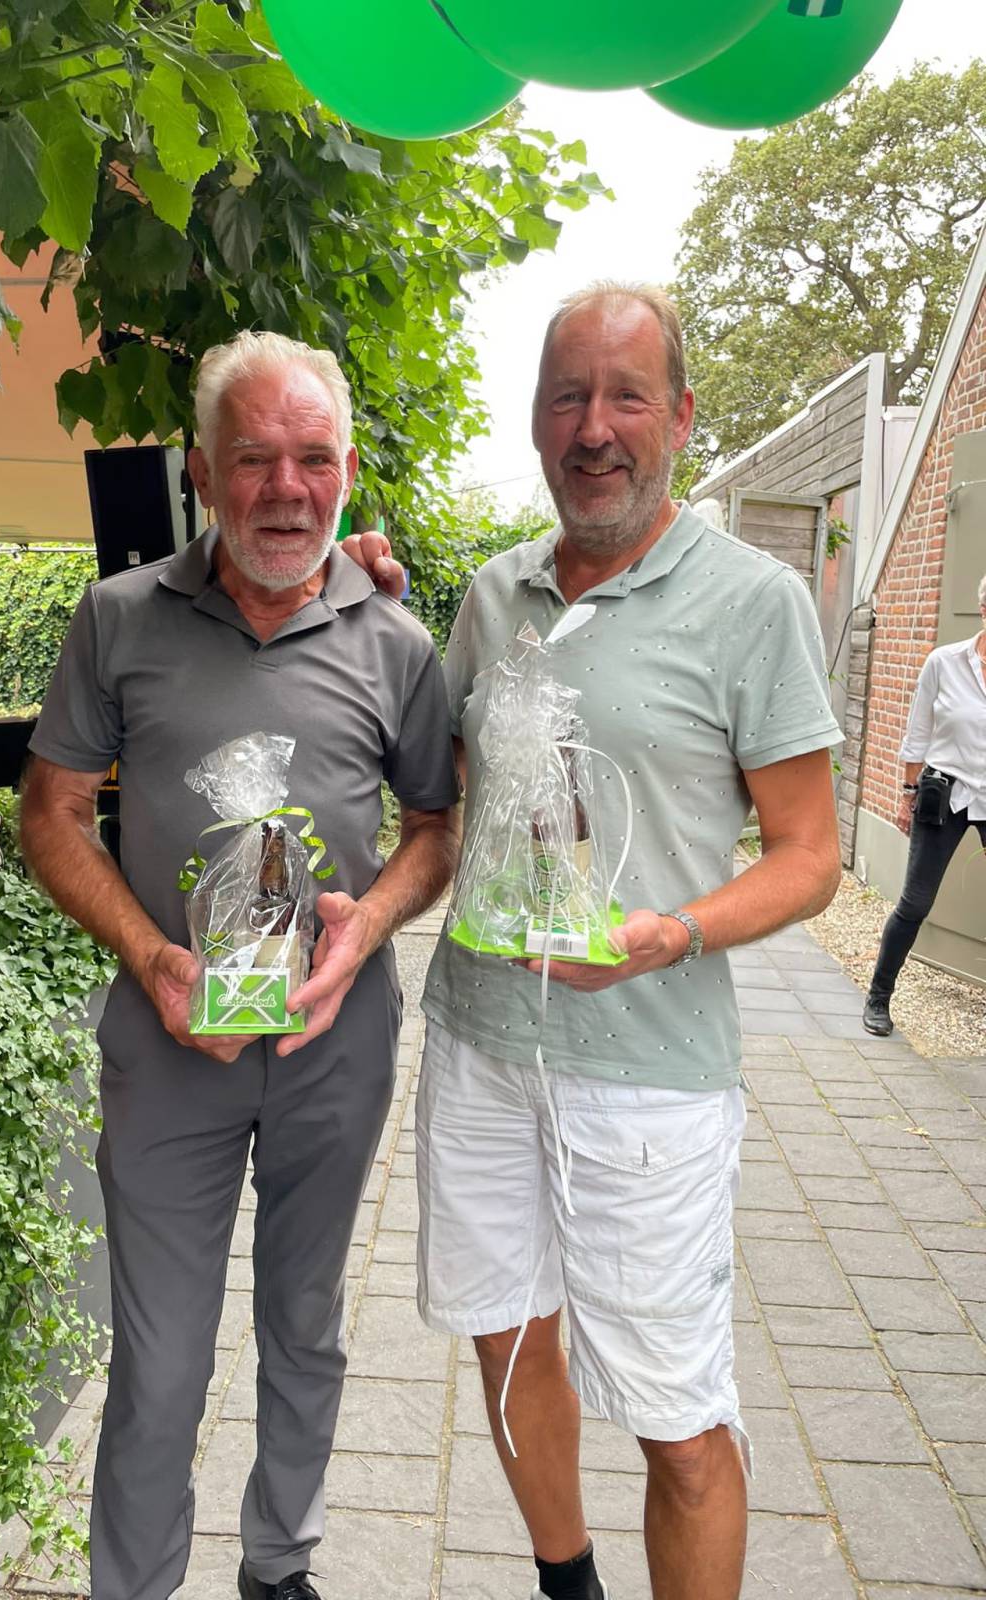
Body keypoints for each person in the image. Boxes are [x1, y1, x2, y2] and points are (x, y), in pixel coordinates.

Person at [345, 282, 842, 1600]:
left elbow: (812, 856)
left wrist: (675, 931)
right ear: (536, 420)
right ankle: (568, 1582)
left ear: (680, 416)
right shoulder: (493, 592)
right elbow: (451, 794)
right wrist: (368, 613)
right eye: (568, 396)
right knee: (506, 1340)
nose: (595, 427)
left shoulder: (754, 601)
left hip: (650, 1070)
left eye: (627, 395)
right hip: (480, 1043)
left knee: (679, 1417)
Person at [20, 331, 460, 1600]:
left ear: (347, 471)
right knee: (159, 1358)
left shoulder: (398, 643)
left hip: (336, 1041)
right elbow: (50, 812)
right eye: (254, 458)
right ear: (203, 474)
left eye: (313, 458)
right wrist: (152, 955)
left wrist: (368, 926)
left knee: (305, 1323)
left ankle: (279, 1565)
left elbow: (435, 828)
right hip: (169, 1044)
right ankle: (135, 1584)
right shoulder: (118, 618)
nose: (286, 488)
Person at [862, 574, 986, 1035]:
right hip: (944, 794)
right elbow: (917, 732)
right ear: (984, 609)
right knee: (915, 902)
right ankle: (878, 996)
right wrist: (907, 794)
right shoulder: (944, 662)